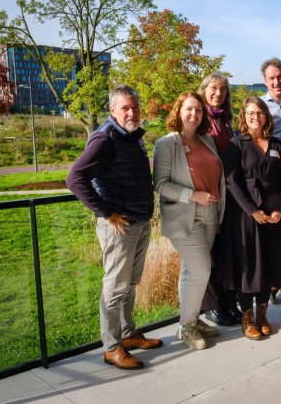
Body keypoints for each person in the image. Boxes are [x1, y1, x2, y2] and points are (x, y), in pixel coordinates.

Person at [67, 84, 162, 369]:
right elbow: (75, 179)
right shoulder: (104, 139)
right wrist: (106, 213)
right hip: (120, 227)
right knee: (114, 287)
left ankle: (128, 333)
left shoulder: (133, 137)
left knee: (129, 284)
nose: (132, 112)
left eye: (135, 107)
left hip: (139, 222)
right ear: (112, 110)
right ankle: (110, 346)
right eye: (125, 108)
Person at [153, 92, 225, 350]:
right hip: (185, 216)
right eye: (189, 109)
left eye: (198, 110)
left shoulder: (207, 140)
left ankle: (192, 319)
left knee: (190, 270)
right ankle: (186, 326)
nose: (194, 114)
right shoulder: (166, 143)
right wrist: (193, 195)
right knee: (201, 269)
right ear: (178, 110)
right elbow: (160, 184)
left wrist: (217, 213)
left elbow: (217, 178)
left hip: (210, 214)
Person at [219, 97, 281, 340]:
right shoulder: (236, 144)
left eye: (259, 112)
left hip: (273, 215)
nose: (255, 116)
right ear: (244, 116)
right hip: (245, 215)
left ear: (266, 116)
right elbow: (232, 182)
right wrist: (252, 211)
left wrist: (279, 208)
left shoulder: (277, 144)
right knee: (249, 265)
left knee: (268, 264)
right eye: (250, 113)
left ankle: (263, 314)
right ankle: (247, 317)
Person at [196, 73, 241, 327]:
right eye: (214, 88)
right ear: (204, 90)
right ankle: (212, 306)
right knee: (210, 254)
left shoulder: (225, 121)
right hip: (208, 193)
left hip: (227, 194)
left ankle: (228, 303)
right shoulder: (201, 120)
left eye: (223, 90)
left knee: (226, 254)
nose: (218, 93)